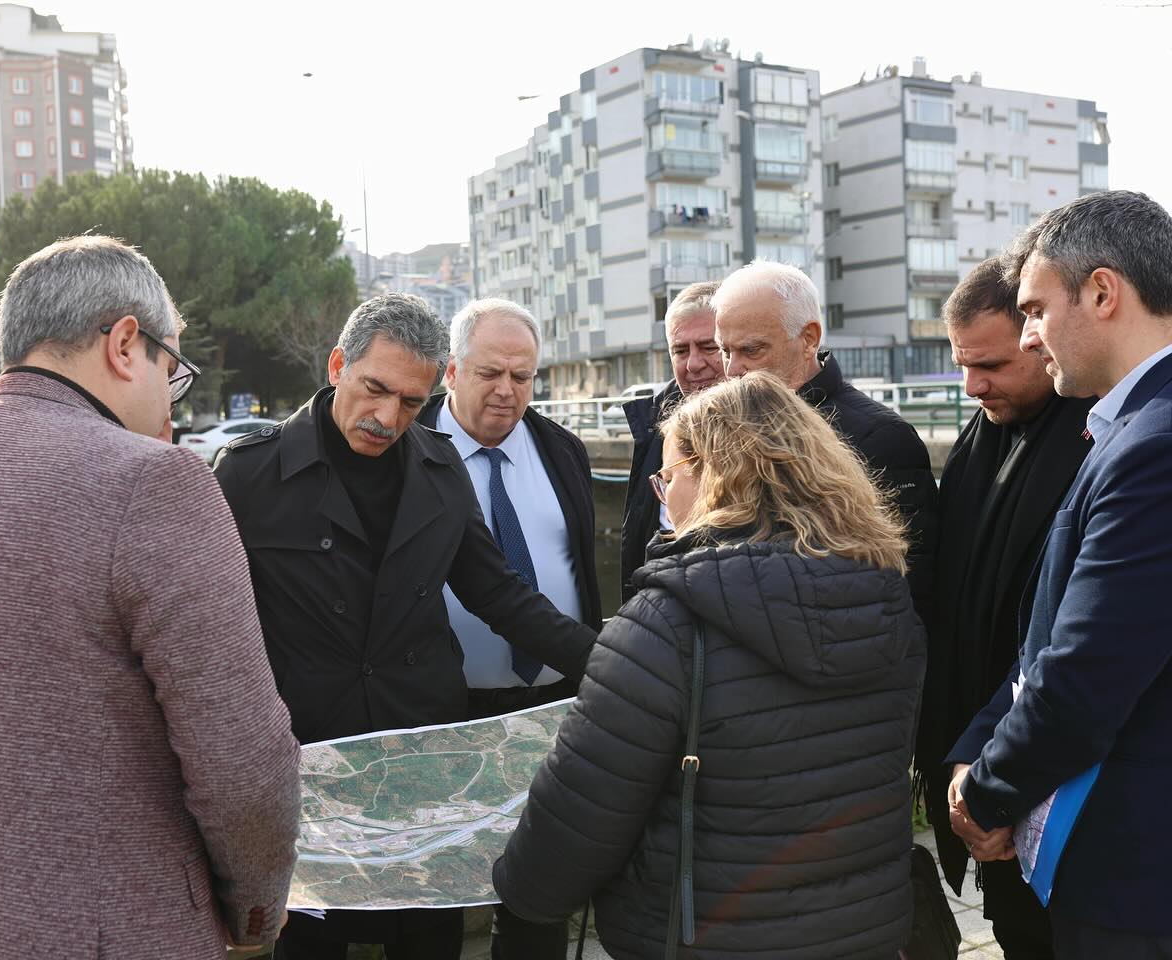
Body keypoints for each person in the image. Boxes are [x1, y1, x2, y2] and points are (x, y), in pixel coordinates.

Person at [0, 237, 301, 959]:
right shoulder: (154, 482)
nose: (171, 406)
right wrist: (256, 911)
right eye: (172, 372)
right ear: (124, 344)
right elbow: (244, 766)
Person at [213, 292, 596, 960]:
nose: (387, 418)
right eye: (375, 389)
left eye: (412, 402)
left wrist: (614, 663)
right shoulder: (248, 474)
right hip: (311, 759)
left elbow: (499, 595)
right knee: (310, 944)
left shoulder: (441, 468)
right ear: (338, 365)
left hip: (422, 758)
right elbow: (212, 630)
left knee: (427, 936)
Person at [494, 372, 926, 959]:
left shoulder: (665, 623)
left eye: (667, 476)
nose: (661, 495)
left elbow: (580, 816)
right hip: (863, 931)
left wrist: (521, 893)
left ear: (717, 476)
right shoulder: (885, 600)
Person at [948, 190, 1172, 957]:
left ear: (1103, 292)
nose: (1029, 336)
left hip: (1136, 878)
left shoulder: (1153, 445)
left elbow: (1085, 670)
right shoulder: (1131, 428)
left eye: (1036, 310)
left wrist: (985, 793)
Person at [914, 258, 1093, 959]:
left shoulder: (1097, 440)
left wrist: (997, 775)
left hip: (1053, 780)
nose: (972, 386)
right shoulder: (982, 435)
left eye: (989, 365)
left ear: (1039, 337)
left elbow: (1075, 648)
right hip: (985, 764)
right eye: (962, 365)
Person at [415, 297, 601, 960]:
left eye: (522, 376)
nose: (506, 390)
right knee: (437, 893)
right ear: (451, 371)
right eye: (490, 372)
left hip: (551, 707)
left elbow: (579, 565)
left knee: (539, 897)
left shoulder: (561, 448)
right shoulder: (408, 449)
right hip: (445, 711)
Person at [712, 259, 937, 616]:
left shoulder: (881, 438)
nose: (732, 369)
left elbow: (910, 581)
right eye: (725, 351)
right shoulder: (727, 429)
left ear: (809, 339)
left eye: (751, 350)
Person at [621, 281, 725, 600]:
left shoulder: (779, 429)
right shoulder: (653, 426)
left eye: (709, 347)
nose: (693, 363)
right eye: (680, 351)